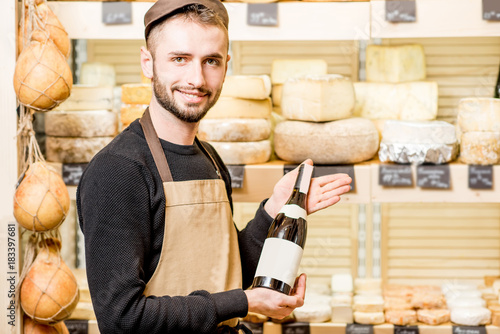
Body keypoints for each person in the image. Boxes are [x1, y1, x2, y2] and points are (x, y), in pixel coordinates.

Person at [76, 0, 352, 333]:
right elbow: (122, 318)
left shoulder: (209, 158)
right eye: (180, 59)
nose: (197, 78)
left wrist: (273, 210)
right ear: (147, 63)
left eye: (211, 61)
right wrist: (246, 302)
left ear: (226, 66)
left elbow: (227, 274)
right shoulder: (118, 172)